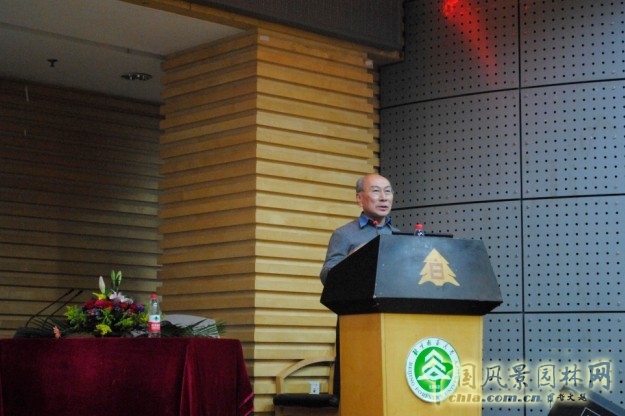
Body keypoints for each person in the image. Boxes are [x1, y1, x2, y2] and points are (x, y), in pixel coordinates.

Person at [320, 173, 400, 285]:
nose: (383, 198)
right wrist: (351, 260)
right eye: (376, 191)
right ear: (359, 198)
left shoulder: (398, 235)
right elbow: (326, 277)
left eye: (387, 191)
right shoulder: (343, 234)